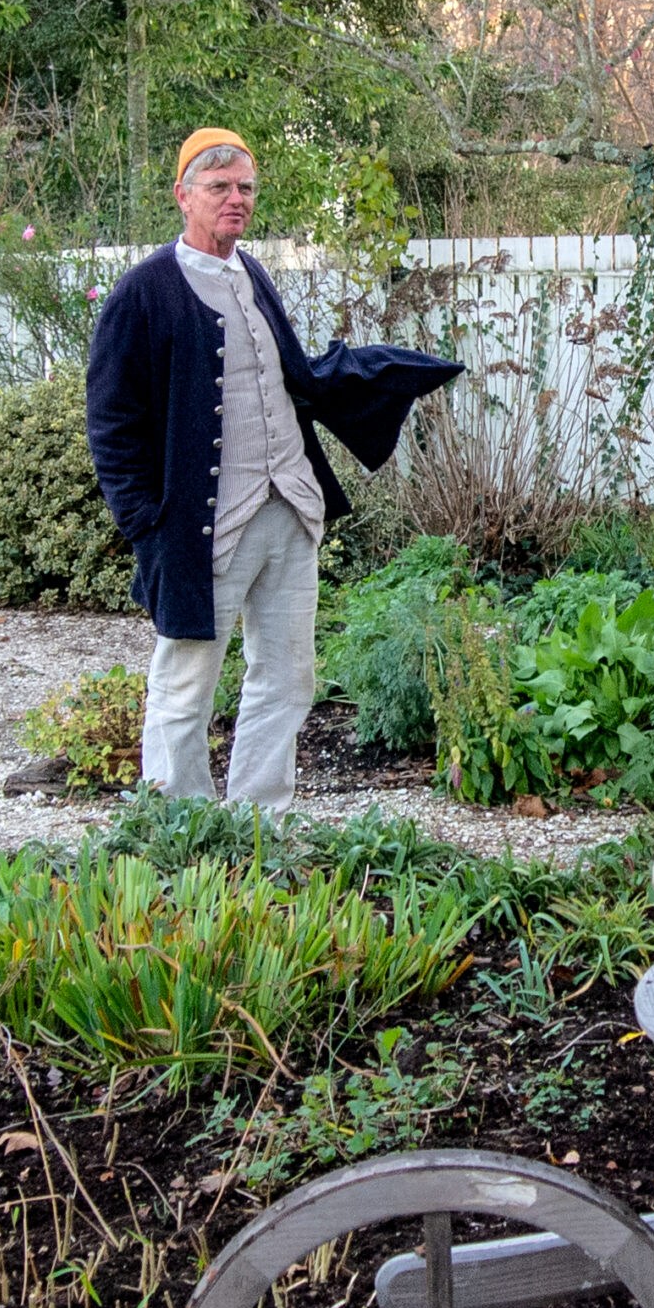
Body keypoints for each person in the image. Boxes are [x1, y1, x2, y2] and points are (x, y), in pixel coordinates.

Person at [86, 128, 461, 814]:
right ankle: (183, 827)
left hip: (288, 507)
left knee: (288, 677)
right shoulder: (144, 293)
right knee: (186, 681)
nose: (236, 200)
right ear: (183, 196)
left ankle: (262, 822)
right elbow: (112, 423)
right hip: (203, 528)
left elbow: (291, 376)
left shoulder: (251, 273)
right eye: (219, 188)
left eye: (246, 188)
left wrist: (371, 376)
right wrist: (146, 523)